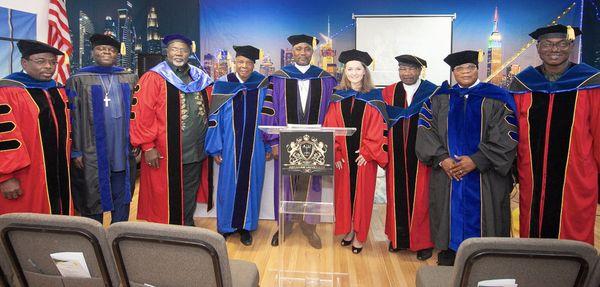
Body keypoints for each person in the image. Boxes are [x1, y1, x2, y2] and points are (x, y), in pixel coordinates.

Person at [416, 50, 518, 265]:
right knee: (447, 214)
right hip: (448, 172)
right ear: (453, 72)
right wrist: (443, 159)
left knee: (487, 221)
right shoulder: (438, 99)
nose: (464, 72)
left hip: (484, 174)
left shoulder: (497, 97)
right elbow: (426, 131)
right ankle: (449, 252)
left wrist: (477, 160)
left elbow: (507, 135)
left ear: (476, 69)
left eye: (469, 67)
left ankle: (486, 256)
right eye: (459, 69)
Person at [509, 25, 600, 244]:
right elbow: (513, 131)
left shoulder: (590, 82)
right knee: (532, 221)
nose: (554, 49)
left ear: (571, 46)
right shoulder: (523, 83)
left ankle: (575, 271)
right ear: (538, 48)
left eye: (561, 44)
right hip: (532, 171)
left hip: (576, 171)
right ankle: (534, 265)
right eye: (547, 44)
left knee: (574, 223)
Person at [130, 34, 213, 226]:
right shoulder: (154, 77)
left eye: (183, 50)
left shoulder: (200, 78)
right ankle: (168, 229)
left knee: (189, 189)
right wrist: (147, 146)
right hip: (164, 150)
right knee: (164, 192)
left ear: (190, 53)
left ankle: (186, 224)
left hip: (196, 149)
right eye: (174, 49)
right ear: (166, 52)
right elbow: (142, 113)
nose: (179, 53)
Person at [263, 34, 337, 248]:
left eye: (306, 49)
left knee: (313, 185)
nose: (302, 53)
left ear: (312, 52)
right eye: (298, 49)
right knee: (284, 185)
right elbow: (270, 110)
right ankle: (284, 225)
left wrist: (331, 142)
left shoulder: (325, 78)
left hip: (317, 143)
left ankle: (309, 226)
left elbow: (333, 112)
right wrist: (274, 141)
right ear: (292, 52)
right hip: (286, 141)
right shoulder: (278, 78)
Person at [66, 34, 138, 224]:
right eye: (101, 49)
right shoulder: (79, 79)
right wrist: (76, 150)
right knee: (93, 189)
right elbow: (73, 116)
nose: (106, 52)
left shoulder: (129, 77)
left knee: (122, 186)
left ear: (117, 55)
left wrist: (137, 141)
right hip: (92, 146)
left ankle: (119, 231)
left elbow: (138, 112)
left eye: (111, 50)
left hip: (122, 144)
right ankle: (93, 233)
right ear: (93, 53)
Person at [323, 49, 388, 254]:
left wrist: (368, 151)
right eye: (349, 69)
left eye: (357, 69)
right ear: (345, 72)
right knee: (344, 196)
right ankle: (349, 230)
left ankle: (360, 236)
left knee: (362, 197)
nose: (353, 72)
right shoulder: (337, 96)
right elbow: (330, 127)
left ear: (364, 71)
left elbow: (379, 127)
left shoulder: (374, 96)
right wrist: (336, 153)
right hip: (343, 158)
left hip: (363, 158)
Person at [206, 45, 271, 245]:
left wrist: (269, 145)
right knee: (227, 185)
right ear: (235, 62)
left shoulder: (262, 84)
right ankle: (226, 227)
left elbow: (269, 115)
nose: (244, 66)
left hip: (255, 145)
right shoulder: (223, 84)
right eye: (241, 62)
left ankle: (246, 227)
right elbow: (214, 118)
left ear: (254, 64)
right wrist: (215, 146)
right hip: (229, 144)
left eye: (249, 63)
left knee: (252, 184)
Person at [0, 40, 72, 215]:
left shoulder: (57, 89)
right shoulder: (7, 91)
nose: (48, 67)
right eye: (41, 61)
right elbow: (4, 137)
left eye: (53, 62)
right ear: (25, 63)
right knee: (25, 227)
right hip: (25, 175)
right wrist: (5, 177)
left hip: (60, 169)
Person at [382, 55, 438, 260]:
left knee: (422, 197)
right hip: (396, 154)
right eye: (402, 69)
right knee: (396, 195)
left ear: (420, 70)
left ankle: (423, 242)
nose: (406, 73)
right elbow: (381, 122)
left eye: (411, 69)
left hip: (422, 153)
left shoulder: (432, 92)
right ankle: (399, 238)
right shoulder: (389, 92)